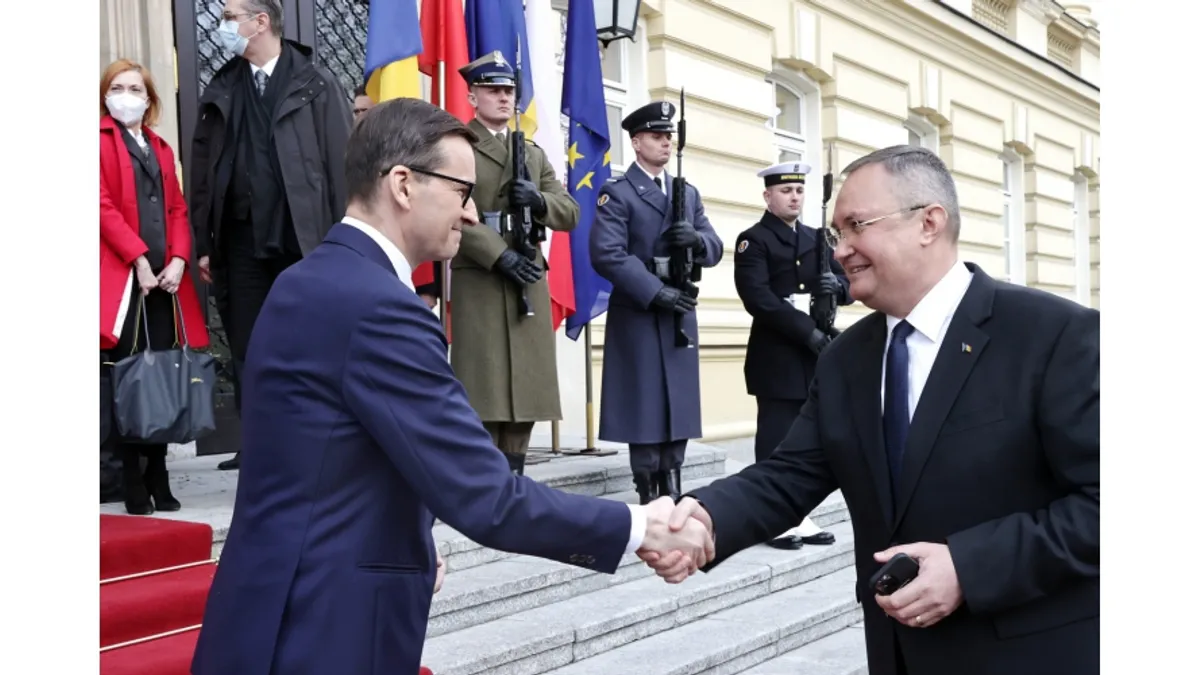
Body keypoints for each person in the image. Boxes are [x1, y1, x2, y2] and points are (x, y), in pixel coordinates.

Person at [190, 97, 712, 675]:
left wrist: (412, 535)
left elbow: (335, 454)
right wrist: (640, 525)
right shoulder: (378, 307)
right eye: (462, 193)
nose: (469, 215)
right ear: (403, 184)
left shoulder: (309, 280)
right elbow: (488, 496)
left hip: (269, 602)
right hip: (325, 622)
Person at [649, 145, 1100, 675]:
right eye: (837, 233)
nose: (839, 250)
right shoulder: (845, 357)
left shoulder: (1054, 335)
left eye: (855, 226)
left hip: (1028, 654)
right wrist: (703, 516)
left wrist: (969, 568)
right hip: (898, 655)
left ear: (929, 222)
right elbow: (789, 476)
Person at [188, 0, 352, 471]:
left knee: (307, 342)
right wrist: (204, 242)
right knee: (248, 344)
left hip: (303, 240)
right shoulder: (223, 85)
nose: (222, 27)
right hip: (238, 242)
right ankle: (258, 443)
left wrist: (346, 241)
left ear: (260, 22)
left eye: (229, 16)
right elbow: (203, 172)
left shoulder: (314, 83)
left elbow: (341, 168)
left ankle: (315, 441)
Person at [448, 51, 580, 475]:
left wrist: (538, 200)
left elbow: (569, 211)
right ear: (473, 96)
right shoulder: (455, 147)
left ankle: (514, 479)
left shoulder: (533, 153)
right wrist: (497, 253)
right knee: (483, 386)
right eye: (493, 91)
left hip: (526, 275)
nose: (504, 98)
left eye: (509, 91)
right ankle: (484, 482)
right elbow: (450, 209)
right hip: (483, 277)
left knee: (527, 386)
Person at [590, 101, 724, 504]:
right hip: (642, 310)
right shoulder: (619, 193)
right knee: (644, 401)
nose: (666, 143)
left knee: (677, 401)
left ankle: (673, 482)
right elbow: (607, 253)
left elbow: (715, 247)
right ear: (636, 142)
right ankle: (648, 485)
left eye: (669, 137)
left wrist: (696, 242)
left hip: (679, 308)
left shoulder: (687, 193)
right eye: (656, 136)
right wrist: (654, 290)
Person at [100, 59, 210, 515]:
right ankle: (130, 475)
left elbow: (178, 209)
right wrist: (139, 259)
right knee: (127, 376)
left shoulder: (161, 147)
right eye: (118, 87)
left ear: (149, 98)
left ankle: (158, 472)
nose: (127, 95)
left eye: (135, 88)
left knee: (163, 372)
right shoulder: (95, 142)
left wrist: (181, 258)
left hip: (166, 281)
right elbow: (99, 205)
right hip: (125, 278)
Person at [733, 161, 851, 549]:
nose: (794, 197)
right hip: (779, 353)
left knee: (807, 439)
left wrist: (837, 286)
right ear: (768, 196)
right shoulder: (754, 240)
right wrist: (807, 332)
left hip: (814, 354)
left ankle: (799, 512)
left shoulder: (818, 238)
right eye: (785, 191)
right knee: (775, 439)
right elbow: (759, 299)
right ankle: (772, 518)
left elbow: (848, 280)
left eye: (799, 191)